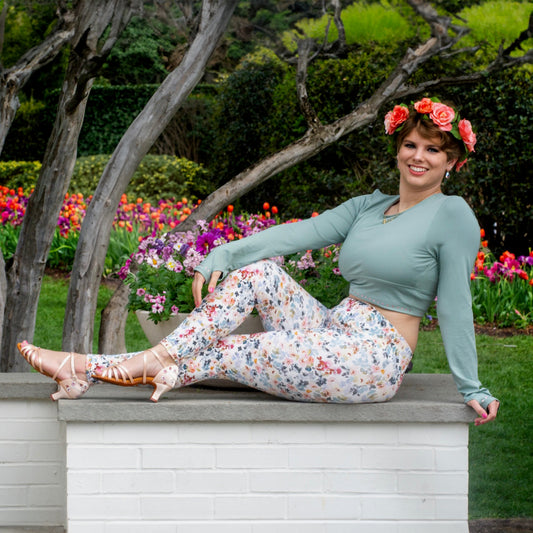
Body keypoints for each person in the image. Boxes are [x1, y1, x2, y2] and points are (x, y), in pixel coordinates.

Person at [18, 97, 499, 426]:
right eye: (410, 145)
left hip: (374, 356)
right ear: (397, 149)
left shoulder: (452, 215)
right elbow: (293, 235)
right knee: (259, 273)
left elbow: (457, 304)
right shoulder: (368, 206)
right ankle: (141, 364)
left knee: (235, 349)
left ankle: (105, 366)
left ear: (451, 161)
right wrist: (221, 254)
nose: (418, 157)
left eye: (433, 150)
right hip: (334, 329)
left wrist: (471, 387)